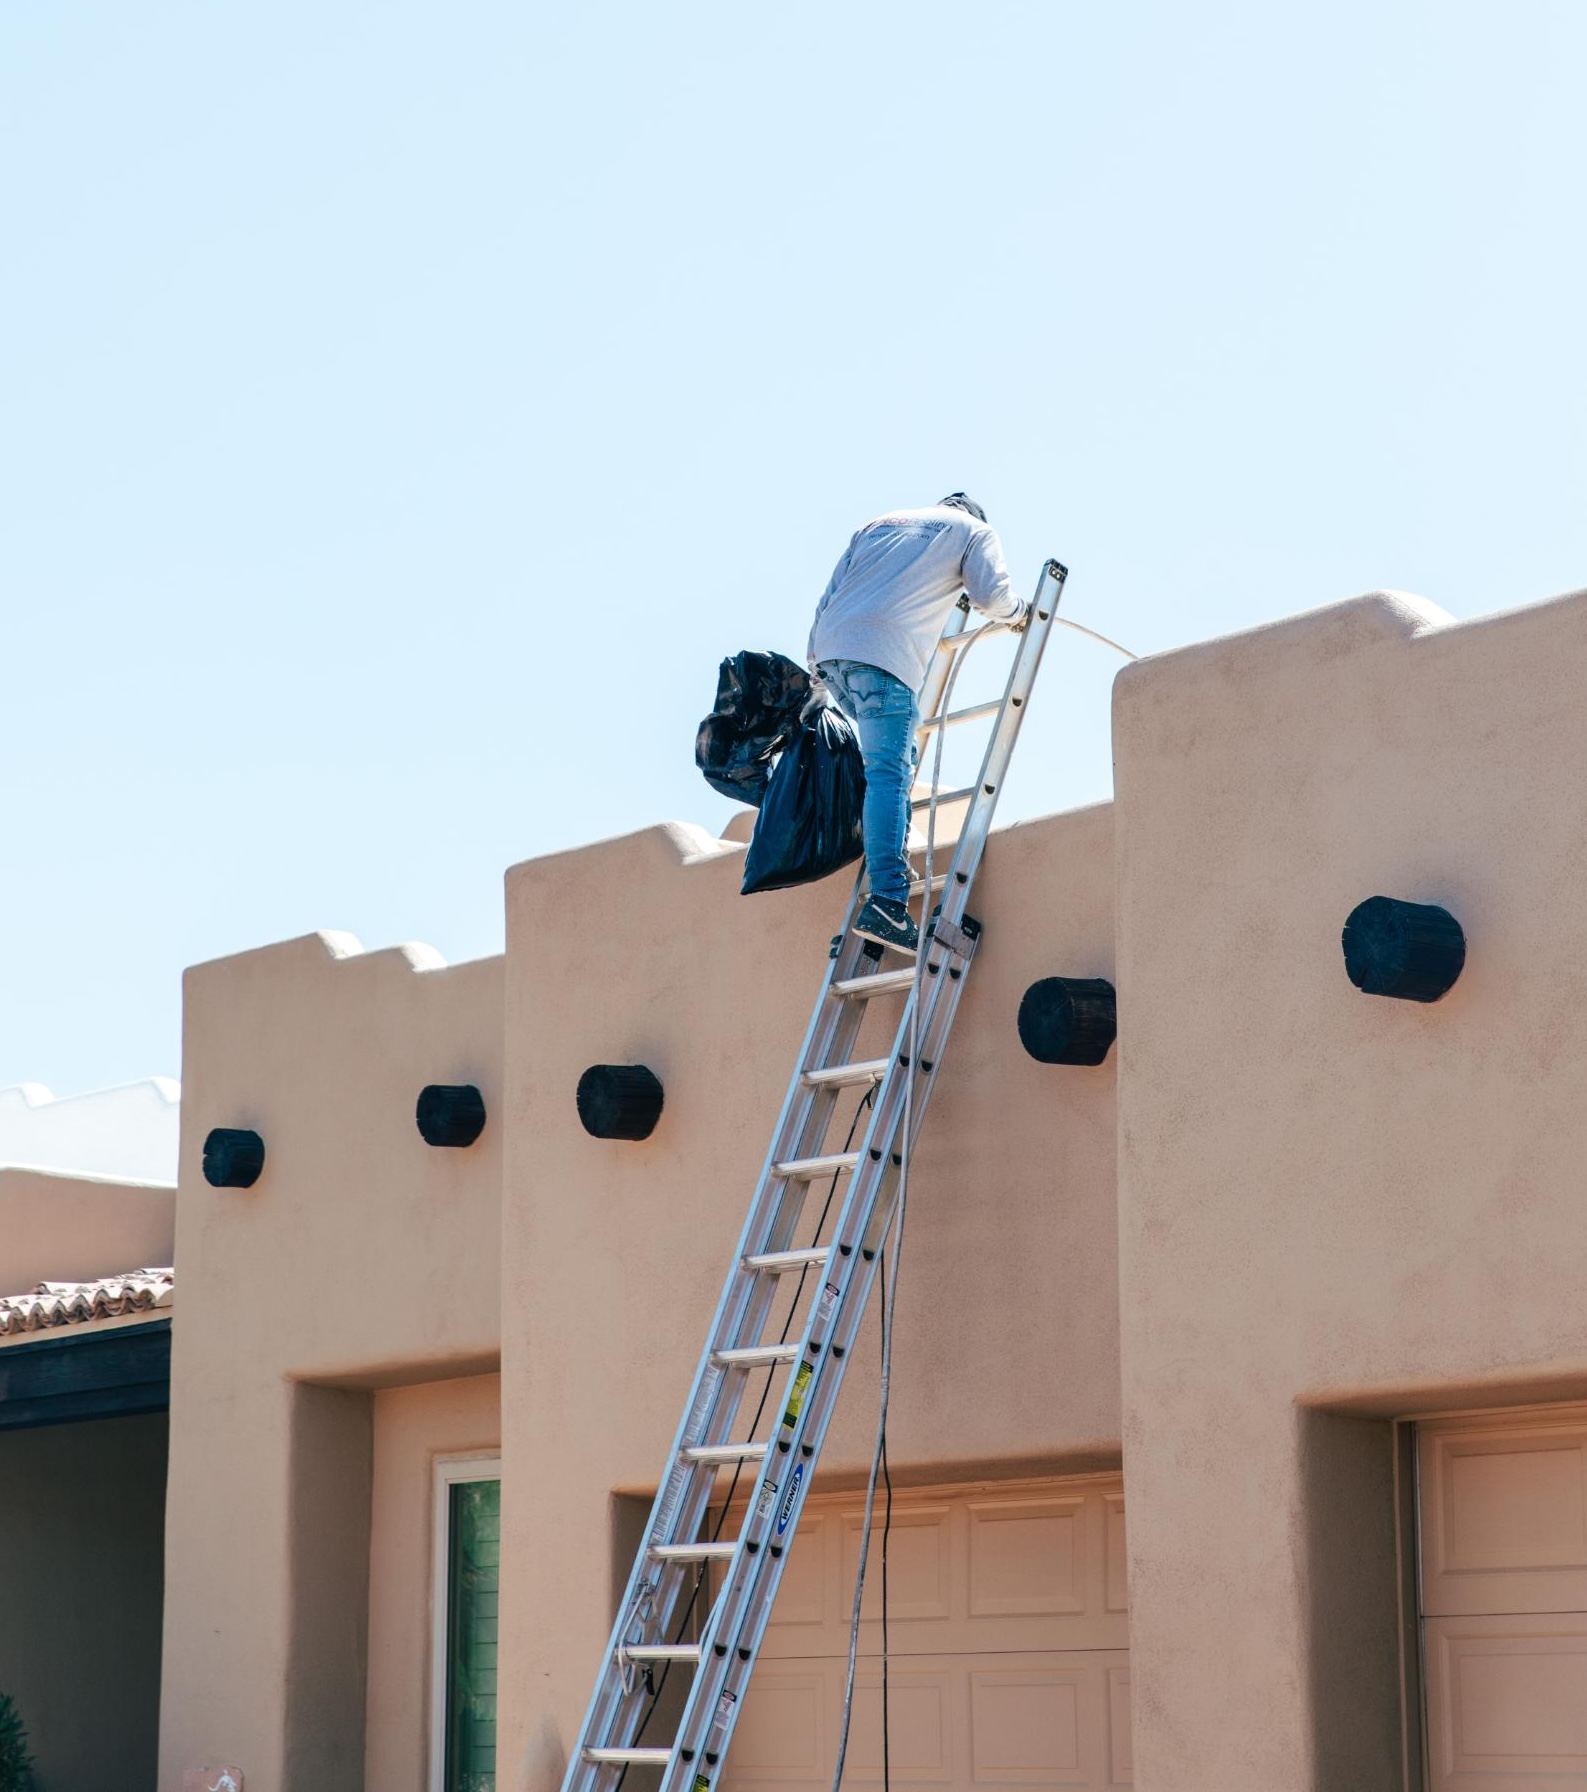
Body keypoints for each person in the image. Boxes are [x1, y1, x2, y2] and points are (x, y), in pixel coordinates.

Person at [806, 494, 1027, 952]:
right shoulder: (973, 532)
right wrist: (1019, 614)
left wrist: (818, 675)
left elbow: (826, 602)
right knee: (888, 774)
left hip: (832, 654)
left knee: (896, 760)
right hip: (883, 659)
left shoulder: (877, 524)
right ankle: (888, 900)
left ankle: (892, 861)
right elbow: (990, 596)